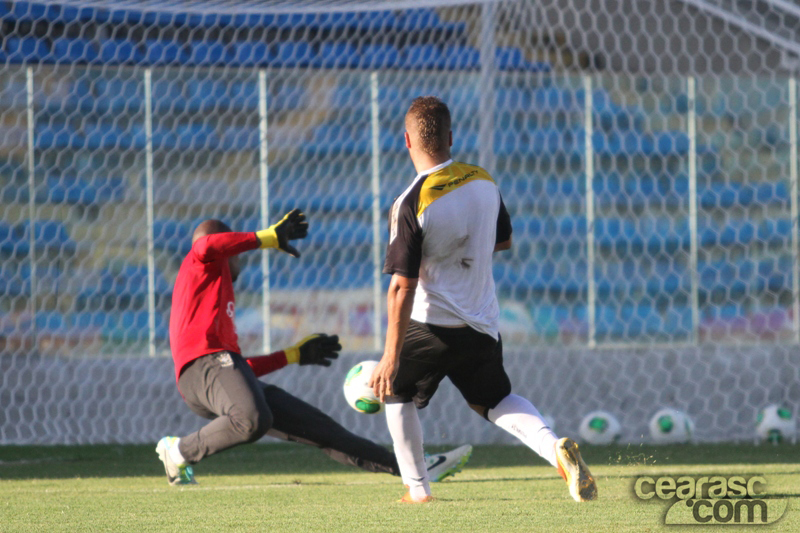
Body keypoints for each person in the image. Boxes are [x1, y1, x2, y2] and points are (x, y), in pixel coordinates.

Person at [369, 97, 598, 503]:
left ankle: (417, 491)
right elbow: (504, 239)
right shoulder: (482, 180)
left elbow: (401, 287)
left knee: (395, 392)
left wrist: (390, 356)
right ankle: (556, 452)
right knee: (494, 400)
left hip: (431, 324)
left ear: (406, 141)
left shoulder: (410, 201)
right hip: (482, 323)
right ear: (451, 137)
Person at [156, 210, 472, 486]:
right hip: (201, 370)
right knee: (252, 418)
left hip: (211, 372)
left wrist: (294, 354)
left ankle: (415, 469)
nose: (239, 258)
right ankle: (179, 450)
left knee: (322, 430)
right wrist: (266, 237)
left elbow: (238, 373)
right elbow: (204, 245)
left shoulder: (213, 299)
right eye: (235, 251)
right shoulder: (199, 262)